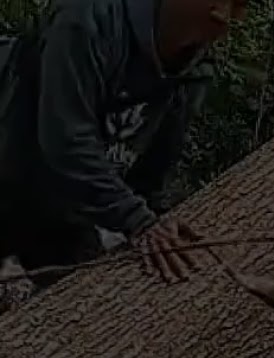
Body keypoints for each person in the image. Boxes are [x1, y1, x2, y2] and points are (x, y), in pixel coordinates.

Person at [0, 0, 248, 285]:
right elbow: (66, 140)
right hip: (12, 163)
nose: (225, 16)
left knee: (83, 296)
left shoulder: (193, 72)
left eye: (239, 5)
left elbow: (154, 169)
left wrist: (153, 219)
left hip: (65, 207)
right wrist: (137, 221)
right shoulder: (86, 22)